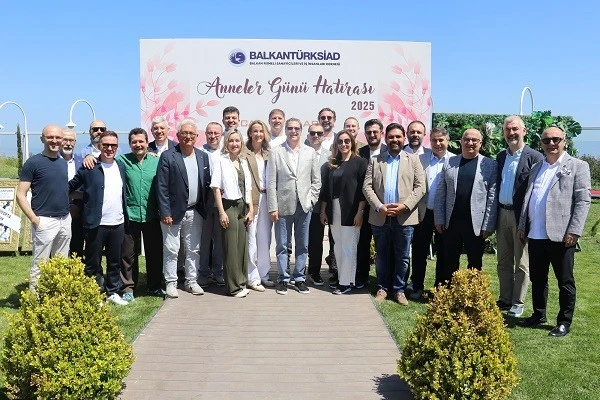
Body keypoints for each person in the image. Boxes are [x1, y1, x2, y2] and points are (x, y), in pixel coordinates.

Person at [518, 127, 591, 337]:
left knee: (565, 281)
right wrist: (522, 226)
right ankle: (538, 314)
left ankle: (564, 322)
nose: (551, 143)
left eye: (556, 139)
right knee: (538, 279)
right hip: (536, 233)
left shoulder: (578, 166)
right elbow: (528, 198)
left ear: (564, 141)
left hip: (562, 235)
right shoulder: (537, 167)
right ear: (541, 143)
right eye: (546, 140)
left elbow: (583, 201)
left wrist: (574, 230)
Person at [363, 123, 425, 305]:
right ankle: (382, 288)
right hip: (380, 216)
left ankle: (399, 290)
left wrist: (404, 206)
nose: (395, 140)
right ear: (386, 138)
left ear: (404, 138)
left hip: (404, 217)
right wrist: (379, 206)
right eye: (391, 137)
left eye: (398, 137)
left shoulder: (413, 160)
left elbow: (420, 187)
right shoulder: (376, 160)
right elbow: (367, 187)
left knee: (403, 256)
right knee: (382, 256)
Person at [69, 130, 129, 306]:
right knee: (92, 263)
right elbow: (71, 186)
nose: (110, 148)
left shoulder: (121, 166)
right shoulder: (90, 166)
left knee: (114, 261)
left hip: (117, 223)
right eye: (106, 145)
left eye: (113, 145)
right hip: (96, 224)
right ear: (99, 146)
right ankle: (93, 294)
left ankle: (112, 292)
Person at [434, 129, 498, 283]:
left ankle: (473, 293)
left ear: (480, 143)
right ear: (461, 141)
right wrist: (439, 218)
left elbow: (492, 197)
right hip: (451, 222)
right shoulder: (450, 162)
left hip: (476, 224)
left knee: (475, 264)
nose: (470, 143)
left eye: (474, 140)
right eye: (467, 139)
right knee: (449, 262)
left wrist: (488, 224)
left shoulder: (490, 165)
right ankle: (449, 293)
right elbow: (441, 192)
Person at [156, 119, 211, 298]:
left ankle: (191, 281)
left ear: (196, 136)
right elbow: (162, 187)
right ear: (178, 135)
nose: (188, 136)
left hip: (195, 211)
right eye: (184, 133)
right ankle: (171, 283)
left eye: (191, 133)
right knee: (172, 250)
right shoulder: (168, 156)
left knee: (193, 249)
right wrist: (165, 212)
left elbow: (206, 183)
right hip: (172, 213)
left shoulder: (202, 156)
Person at [495, 116, 543, 317]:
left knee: (521, 262)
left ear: (524, 131)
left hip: (520, 216)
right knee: (503, 260)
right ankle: (505, 298)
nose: (511, 133)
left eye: (515, 129)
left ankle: (518, 302)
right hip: (502, 214)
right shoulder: (501, 156)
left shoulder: (535, 157)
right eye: (507, 129)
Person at [268, 118, 321, 295]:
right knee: (282, 245)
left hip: (304, 206)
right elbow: (271, 182)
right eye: (290, 128)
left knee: (302, 245)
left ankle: (299, 278)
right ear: (286, 130)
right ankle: (283, 279)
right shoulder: (276, 152)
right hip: (282, 205)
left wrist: (311, 201)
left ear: (301, 130)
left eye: (296, 128)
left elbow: (316, 181)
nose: (293, 131)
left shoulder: (310, 152)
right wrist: (273, 207)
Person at [17, 124, 71, 291]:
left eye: (58, 137)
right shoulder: (33, 163)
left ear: (62, 140)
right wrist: (35, 220)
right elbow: (20, 194)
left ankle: (57, 297)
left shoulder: (62, 163)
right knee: (40, 265)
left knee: (61, 263)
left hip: (64, 219)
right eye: (50, 137)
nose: (54, 140)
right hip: (44, 221)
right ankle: (35, 300)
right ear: (42, 139)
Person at [409, 127, 455, 299]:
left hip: (445, 214)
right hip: (424, 212)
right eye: (434, 140)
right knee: (419, 251)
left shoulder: (454, 161)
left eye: (441, 140)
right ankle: (417, 286)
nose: (437, 143)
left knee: (444, 252)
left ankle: (440, 289)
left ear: (447, 141)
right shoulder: (420, 159)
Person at [118, 128, 164, 298]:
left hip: (152, 214)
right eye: (134, 142)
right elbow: (103, 160)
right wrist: (89, 157)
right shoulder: (122, 161)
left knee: (154, 253)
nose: (138, 145)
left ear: (147, 142)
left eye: (141, 141)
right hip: (130, 215)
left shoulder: (156, 161)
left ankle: (154, 285)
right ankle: (128, 288)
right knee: (128, 254)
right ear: (130, 144)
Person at [319, 130, 368, 294]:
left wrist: (360, 212)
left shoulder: (360, 163)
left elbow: (362, 191)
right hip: (334, 210)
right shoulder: (332, 164)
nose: (343, 144)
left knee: (348, 247)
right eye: (340, 141)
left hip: (351, 211)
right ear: (336, 144)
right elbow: (326, 191)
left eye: (347, 141)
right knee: (338, 246)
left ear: (352, 143)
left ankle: (346, 283)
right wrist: (323, 211)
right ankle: (342, 278)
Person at [211, 129, 254, 297]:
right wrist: (222, 212)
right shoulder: (221, 161)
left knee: (241, 246)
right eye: (231, 141)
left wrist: (251, 209)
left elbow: (248, 187)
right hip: (229, 206)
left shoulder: (243, 162)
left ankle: (241, 282)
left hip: (243, 207)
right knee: (231, 248)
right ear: (226, 143)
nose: (234, 144)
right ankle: (233, 287)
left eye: (237, 141)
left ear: (241, 143)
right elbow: (216, 188)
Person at [355, 119, 388, 288]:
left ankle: (385, 280)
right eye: (369, 132)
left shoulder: (390, 151)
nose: (372, 135)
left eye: (375, 132)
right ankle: (362, 277)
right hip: (363, 207)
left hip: (383, 207)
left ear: (381, 133)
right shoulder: (358, 153)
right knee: (362, 244)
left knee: (384, 247)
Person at [242, 120, 273, 291]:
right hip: (252, 199)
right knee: (251, 240)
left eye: (261, 131)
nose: (258, 134)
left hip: (267, 198)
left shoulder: (269, 153)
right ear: (250, 133)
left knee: (264, 238)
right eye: (255, 131)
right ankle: (252, 277)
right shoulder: (244, 153)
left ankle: (264, 274)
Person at [306, 122, 334, 286]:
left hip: (322, 206)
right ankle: (300, 272)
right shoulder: (300, 152)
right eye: (312, 133)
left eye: (319, 133)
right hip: (302, 205)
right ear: (308, 135)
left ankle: (316, 272)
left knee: (319, 242)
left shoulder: (330, 156)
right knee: (304, 242)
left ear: (324, 136)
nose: (315, 136)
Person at [198, 122, 225, 287]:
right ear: (206, 134)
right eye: (210, 133)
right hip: (205, 204)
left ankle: (218, 272)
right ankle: (203, 273)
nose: (213, 136)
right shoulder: (199, 152)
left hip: (223, 204)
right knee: (204, 241)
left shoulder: (226, 151)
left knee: (220, 242)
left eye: (216, 133)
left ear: (221, 135)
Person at [60, 129, 83, 259]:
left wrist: (77, 206)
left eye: (71, 140)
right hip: (56, 212)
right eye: (65, 140)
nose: (68, 143)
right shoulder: (51, 161)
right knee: (57, 251)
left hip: (78, 212)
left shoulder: (82, 161)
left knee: (76, 249)